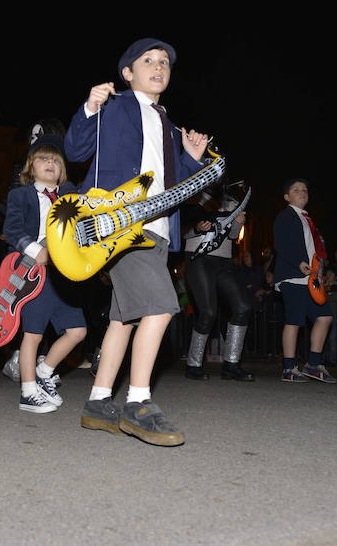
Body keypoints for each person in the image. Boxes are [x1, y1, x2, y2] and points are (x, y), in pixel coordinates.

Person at [65, 37, 208, 446]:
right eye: (148, 60)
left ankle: (98, 402)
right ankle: (139, 402)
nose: (159, 66)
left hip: (158, 229)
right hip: (121, 225)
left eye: (165, 61)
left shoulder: (166, 122)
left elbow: (172, 185)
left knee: (124, 318)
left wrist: (192, 158)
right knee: (162, 307)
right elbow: (75, 149)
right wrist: (91, 107)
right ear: (127, 73)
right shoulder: (114, 106)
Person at [2, 140, 87, 413]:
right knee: (33, 334)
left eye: (55, 161)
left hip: (64, 274)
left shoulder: (70, 197)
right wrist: (36, 250)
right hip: (33, 272)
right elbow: (13, 229)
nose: (50, 164)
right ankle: (27, 392)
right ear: (31, 167)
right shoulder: (20, 195)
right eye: (43, 159)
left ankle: (44, 371)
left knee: (77, 331)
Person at [182, 194, 255, 381]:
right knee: (208, 312)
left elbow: (232, 235)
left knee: (243, 306)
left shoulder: (232, 200)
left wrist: (239, 222)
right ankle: (193, 364)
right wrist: (198, 228)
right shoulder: (193, 196)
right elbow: (180, 232)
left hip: (224, 262)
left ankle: (231, 365)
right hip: (198, 259)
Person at [273, 178, 337, 383]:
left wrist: (321, 271)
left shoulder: (308, 219)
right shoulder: (285, 216)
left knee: (325, 317)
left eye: (305, 190)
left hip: (311, 278)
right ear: (287, 197)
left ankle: (313, 365)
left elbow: (315, 249)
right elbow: (281, 244)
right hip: (293, 276)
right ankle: (289, 368)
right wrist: (298, 263)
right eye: (296, 189)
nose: (302, 192)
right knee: (294, 320)